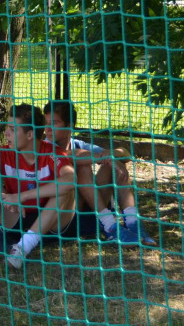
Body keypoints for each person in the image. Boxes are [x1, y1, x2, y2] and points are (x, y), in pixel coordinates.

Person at [0, 104, 77, 269]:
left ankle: (23, 247)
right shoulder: (3, 153)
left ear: (30, 134)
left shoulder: (52, 153)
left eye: (12, 129)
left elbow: (70, 179)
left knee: (65, 189)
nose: (6, 133)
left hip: (52, 224)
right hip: (16, 217)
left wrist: (21, 197)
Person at [43, 100, 157, 246]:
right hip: (65, 217)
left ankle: (133, 223)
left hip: (91, 212)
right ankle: (109, 225)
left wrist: (110, 157)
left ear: (70, 126)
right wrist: (105, 157)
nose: (48, 129)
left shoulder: (78, 144)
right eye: (46, 123)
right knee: (82, 166)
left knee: (113, 164)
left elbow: (125, 153)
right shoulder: (43, 148)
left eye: (54, 123)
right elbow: (71, 155)